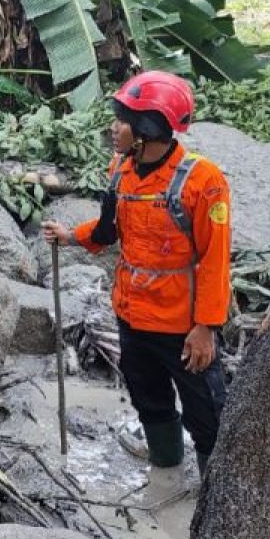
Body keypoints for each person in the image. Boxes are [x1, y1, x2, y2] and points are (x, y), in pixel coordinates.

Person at [42, 71, 232, 477]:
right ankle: (165, 468)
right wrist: (69, 237)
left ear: (149, 128)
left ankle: (215, 499)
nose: (114, 127)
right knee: (150, 400)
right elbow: (108, 230)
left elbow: (215, 259)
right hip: (132, 315)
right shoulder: (120, 170)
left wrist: (206, 327)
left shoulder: (203, 181)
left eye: (123, 120)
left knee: (207, 416)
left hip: (183, 326)